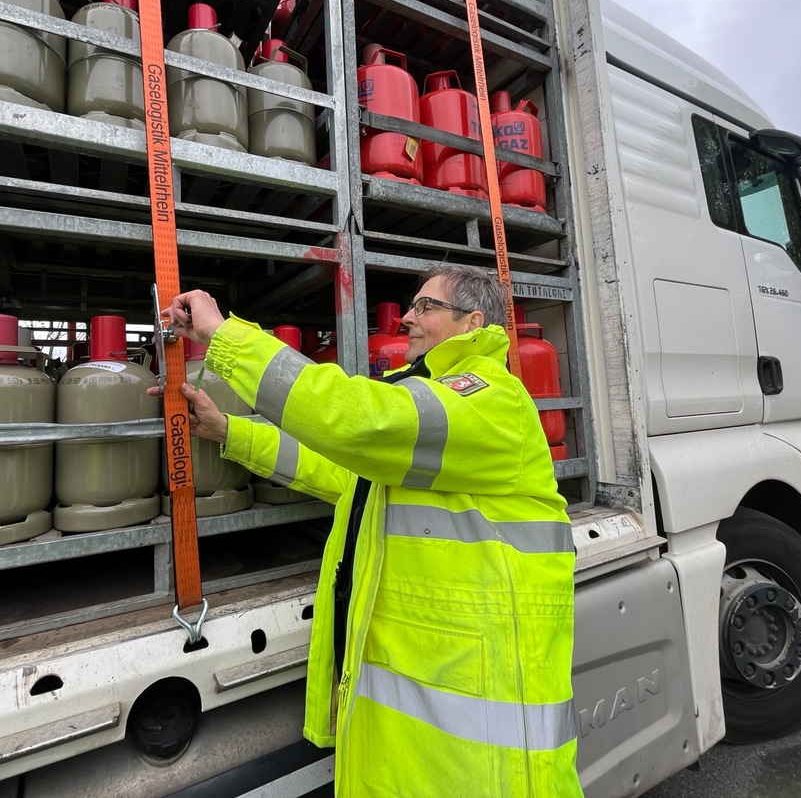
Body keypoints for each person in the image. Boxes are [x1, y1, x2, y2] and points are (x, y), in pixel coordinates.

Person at [157, 263, 582, 796]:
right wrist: (231, 431)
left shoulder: (491, 400)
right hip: (419, 756)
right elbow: (344, 473)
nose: (408, 317)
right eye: (412, 306)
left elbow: (359, 420)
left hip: (486, 772)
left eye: (427, 306)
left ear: (473, 321)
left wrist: (224, 336)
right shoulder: (428, 409)